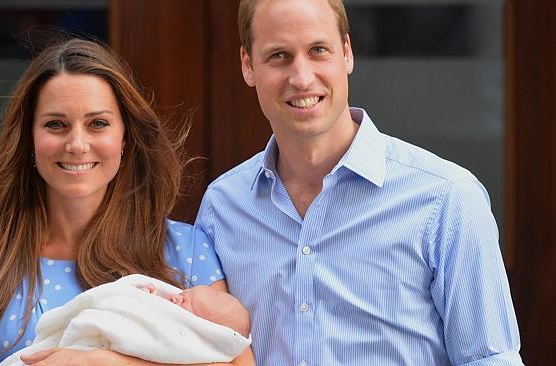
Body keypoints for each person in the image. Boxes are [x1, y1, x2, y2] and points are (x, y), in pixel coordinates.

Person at [195, 0, 523, 365]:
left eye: (318, 50)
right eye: (279, 56)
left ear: (346, 54)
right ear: (247, 65)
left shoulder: (447, 199)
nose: (302, 78)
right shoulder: (222, 207)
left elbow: (490, 359)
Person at [0, 38, 254, 366]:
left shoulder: (187, 251)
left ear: (124, 138)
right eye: (56, 124)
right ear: (29, 139)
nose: (77, 144)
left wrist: (103, 362)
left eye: (98, 124)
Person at [0, 274, 251, 366]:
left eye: (185, 302)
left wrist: (99, 361)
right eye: (183, 294)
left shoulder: (189, 245)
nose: (176, 298)